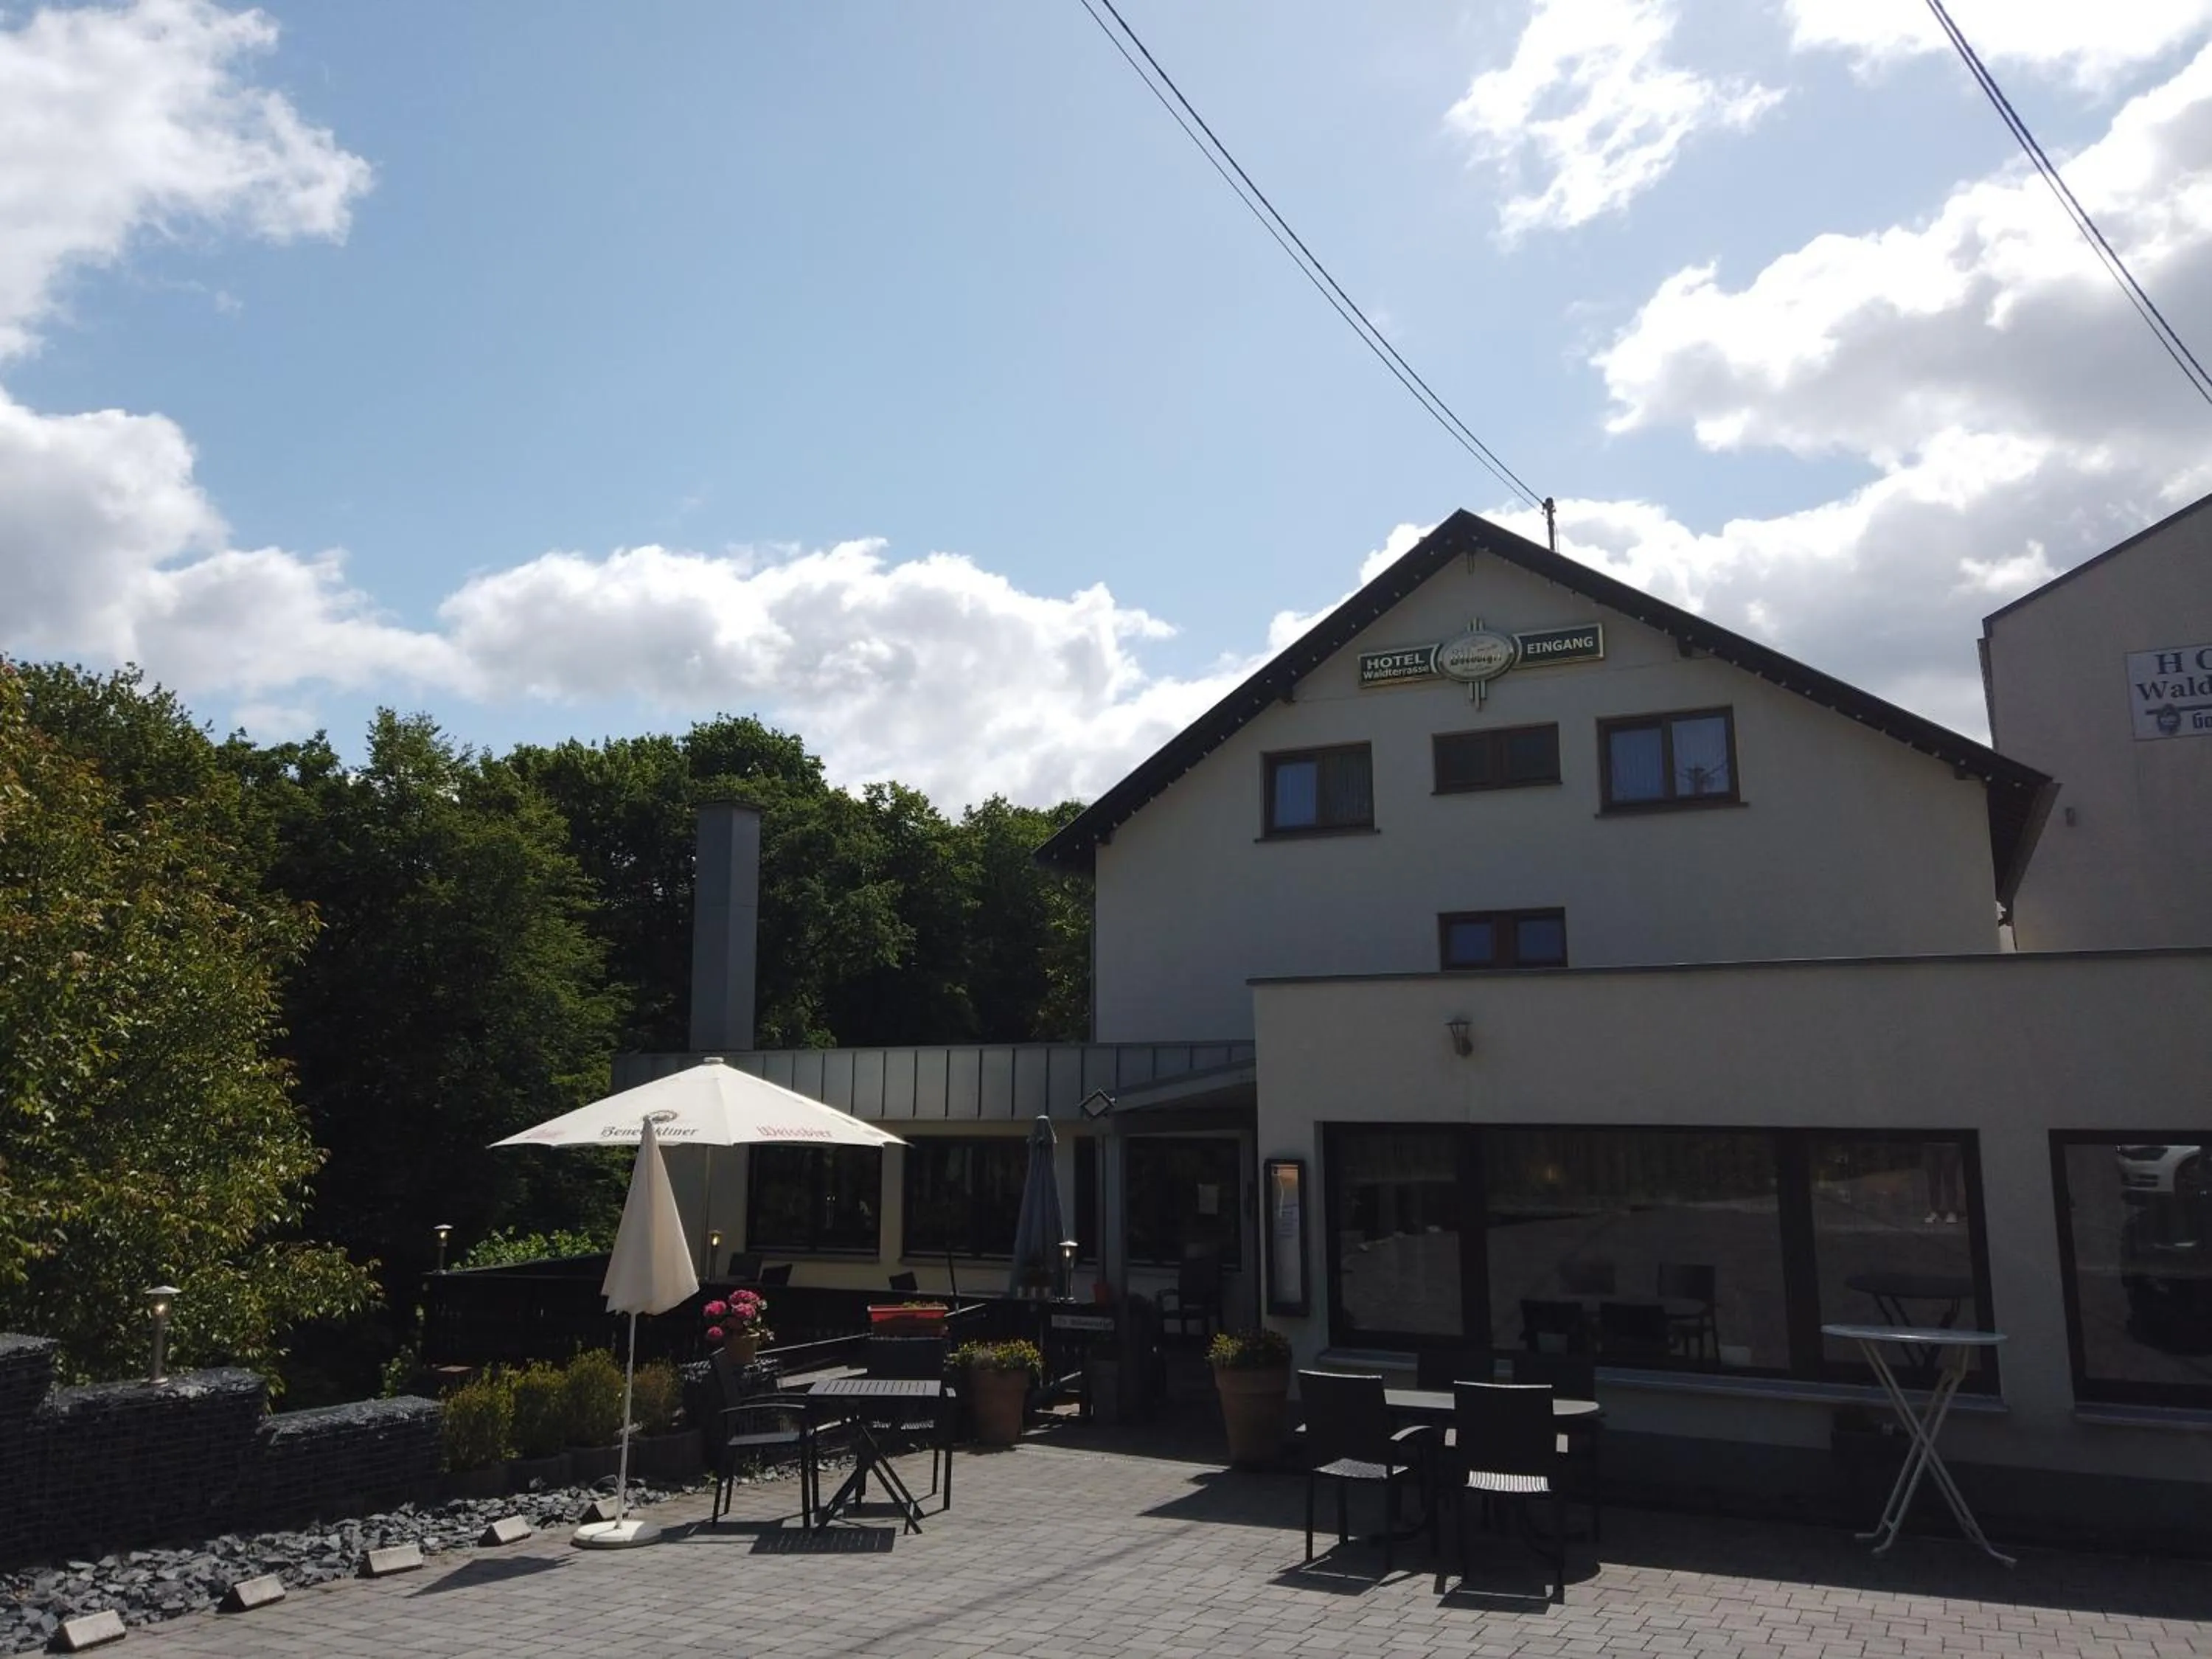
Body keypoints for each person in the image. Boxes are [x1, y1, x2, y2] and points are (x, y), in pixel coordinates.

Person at [1923, 1141, 1965, 1225]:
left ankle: (1952, 1211)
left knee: (1949, 1178)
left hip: (1950, 1145)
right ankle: (1934, 1210)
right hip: (1930, 1145)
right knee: (1932, 1179)